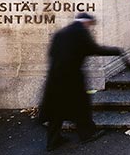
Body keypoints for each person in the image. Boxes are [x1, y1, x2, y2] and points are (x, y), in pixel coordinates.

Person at [39, 13, 123, 151]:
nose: (90, 27)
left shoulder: (61, 33)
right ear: (87, 22)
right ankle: (87, 134)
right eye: (90, 24)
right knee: (81, 107)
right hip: (72, 78)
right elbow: (94, 49)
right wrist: (116, 50)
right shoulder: (81, 33)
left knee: (56, 110)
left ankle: (53, 141)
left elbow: (52, 53)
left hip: (55, 78)